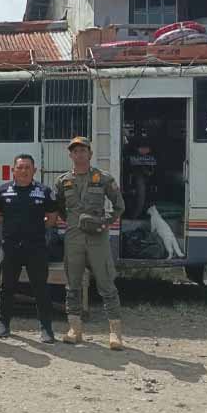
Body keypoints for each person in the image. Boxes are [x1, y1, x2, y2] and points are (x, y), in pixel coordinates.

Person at [54, 137, 126, 350]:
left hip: (97, 239)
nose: (79, 154)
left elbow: (119, 206)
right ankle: (74, 329)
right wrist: (73, 222)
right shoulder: (63, 181)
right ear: (70, 155)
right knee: (73, 284)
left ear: (90, 154)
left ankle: (115, 333)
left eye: (83, 150)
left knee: (106, 283)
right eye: (75, 151)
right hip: (73, 238)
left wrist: (104, 222)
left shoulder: (103, 178)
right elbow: (59, 207)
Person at [0, 154, 58, 343]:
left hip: (36, 247)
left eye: (27, 167)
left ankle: (46, 328)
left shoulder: (44, 191)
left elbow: (52, 217)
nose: (23, 171)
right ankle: (3, 324)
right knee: (6, 287)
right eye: (20, 167)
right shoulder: (3, 191)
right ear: (13, 170)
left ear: (34, 170)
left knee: (41, 288)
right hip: (10, 246)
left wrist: (35, 230)